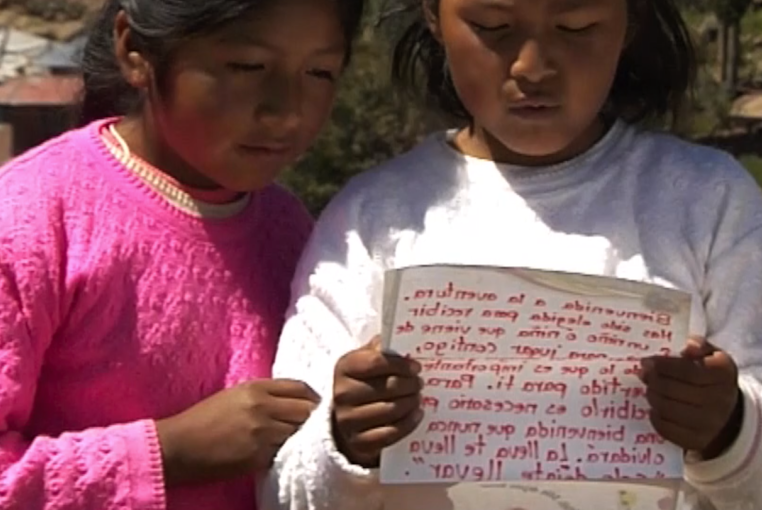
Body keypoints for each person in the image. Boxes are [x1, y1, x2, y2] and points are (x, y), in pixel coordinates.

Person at [261, 0, 762, 509]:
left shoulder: (709, 201)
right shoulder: (372, 220)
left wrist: (729, 431)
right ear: (434, 18)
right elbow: (282, 490)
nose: (533, 66)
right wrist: (345, 441)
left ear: (629, 22)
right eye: (492, 27)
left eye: (577, 27)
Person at [0, 0, 363, 508]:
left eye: (320, 72)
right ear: (135, 51)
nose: (287, 108)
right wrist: (166, 452)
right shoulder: (31, 217)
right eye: (247, 66)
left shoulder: (296, 232)